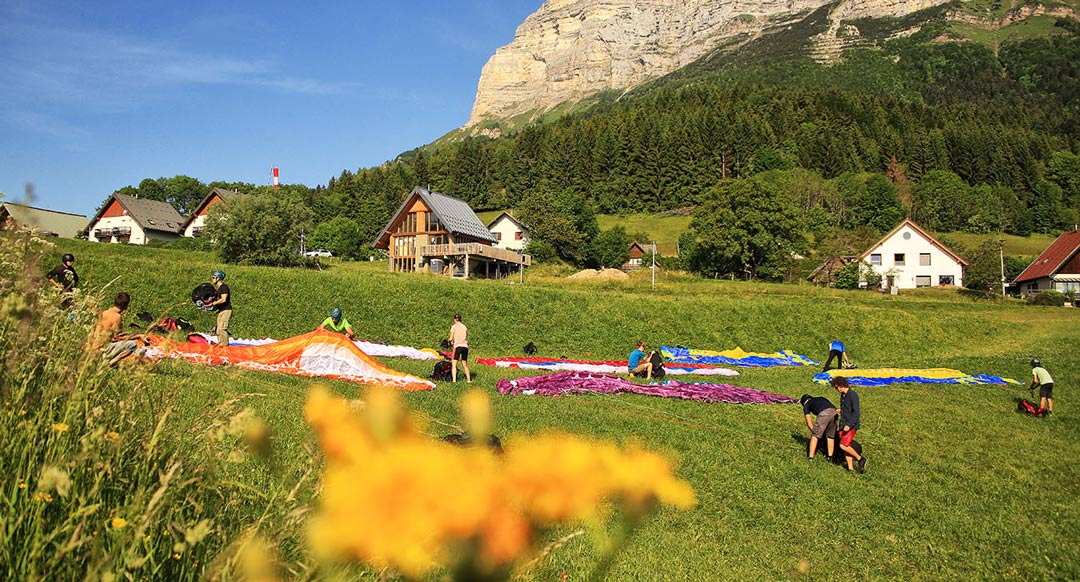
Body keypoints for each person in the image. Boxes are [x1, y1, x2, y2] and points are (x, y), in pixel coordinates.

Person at [88, 292, 145, 366]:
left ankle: (103, 359)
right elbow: (117, 338)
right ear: (126, 306)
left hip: (93, 346)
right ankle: (110, 363)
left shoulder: (104, 312)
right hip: (103, 347)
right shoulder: (117, 317)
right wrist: (138, 336)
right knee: (132, 345)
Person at [832, 376, 866, 473]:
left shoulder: (852, 395)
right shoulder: (843, 395)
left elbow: (856, 413)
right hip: (843, 423)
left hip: (850, 425)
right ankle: (850, 468)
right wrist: (841, 411)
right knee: (846, 446)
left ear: (842, 385)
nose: (836, 389)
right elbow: (847, 408)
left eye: (836, 387)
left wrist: (850, 424)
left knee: (843, 445)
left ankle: (860, 459)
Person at [800, 393, 838, 462]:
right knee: (830, 436)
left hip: (824, 413)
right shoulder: (820, 398)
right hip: (834, 412)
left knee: (815, 436)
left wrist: (814, 431)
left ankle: (810, 457)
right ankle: (830, 457)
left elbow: (808, 422)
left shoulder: (806, 404)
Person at [205, 270, 232, 347]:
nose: (212, 279)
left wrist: (213, 303)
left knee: (222, 328)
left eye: (213, 277)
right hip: (221, 310)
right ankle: (221, 343)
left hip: (226, 310)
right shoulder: (219, 288)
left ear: (218, 278)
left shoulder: (224, 287)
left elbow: (224, 299)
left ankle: (224, 346)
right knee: (218, 329)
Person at [448, 314, 471, 383]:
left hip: (458, 346)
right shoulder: (464, 327)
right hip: (465, 346)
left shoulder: (454, 326)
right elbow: (465, 336)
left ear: (454, 319)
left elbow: (451, 338)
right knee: (465, 364)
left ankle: (454, 380)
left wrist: (449, 341)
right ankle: (468, 380)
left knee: (454, 364)